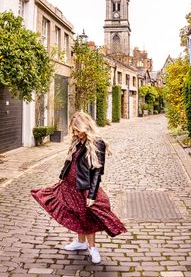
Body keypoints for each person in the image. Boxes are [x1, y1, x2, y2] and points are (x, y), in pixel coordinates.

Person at [31, 111, 127, 264]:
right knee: (76, 213)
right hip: (69, 185)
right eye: (74, 130)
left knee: (87, 216)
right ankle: (80, 242)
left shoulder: (97, 143)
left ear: (86, 127)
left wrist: (92, 195)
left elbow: (97, 172)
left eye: (78, 130)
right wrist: (62, 175)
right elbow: (70, 161)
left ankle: (92, 248)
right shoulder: (77, 141)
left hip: (84, 187)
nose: (76, 133)